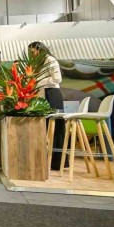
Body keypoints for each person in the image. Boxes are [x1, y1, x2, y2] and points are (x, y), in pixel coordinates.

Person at [29, 41, 65, 170]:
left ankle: (57, 162)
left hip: (52, 94)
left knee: (55, 129)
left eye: (33, 51)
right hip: (43, 95)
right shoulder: (39, 62)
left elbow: (57, 79)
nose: (31, 54)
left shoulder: (50, 59)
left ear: (39, 49)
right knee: (45, 128)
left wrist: (37, 81)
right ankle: (47, 160)